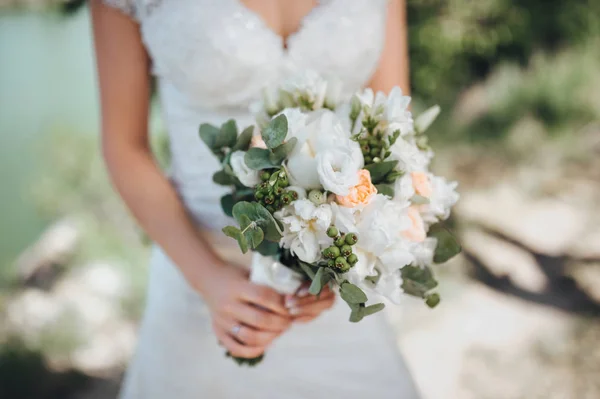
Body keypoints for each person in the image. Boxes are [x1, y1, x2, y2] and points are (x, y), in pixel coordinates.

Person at [91, 0, 419, 397]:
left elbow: (392, 125)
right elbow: (125, 148)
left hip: (330, 287)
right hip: (199, 279)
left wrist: (337, 268)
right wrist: (209, 279)